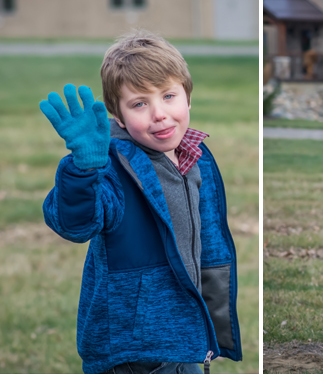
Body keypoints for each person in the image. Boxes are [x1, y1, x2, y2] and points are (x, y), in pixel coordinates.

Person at [40, 32, 242, 374]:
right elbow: (75, 224)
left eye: (168, 96)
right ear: (117, 116)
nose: (159, 114)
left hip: (185, 338)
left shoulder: (196, 159)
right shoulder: (114, 168)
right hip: (134, 350)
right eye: (139, 104)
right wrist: (83, 169)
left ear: (188, 98)